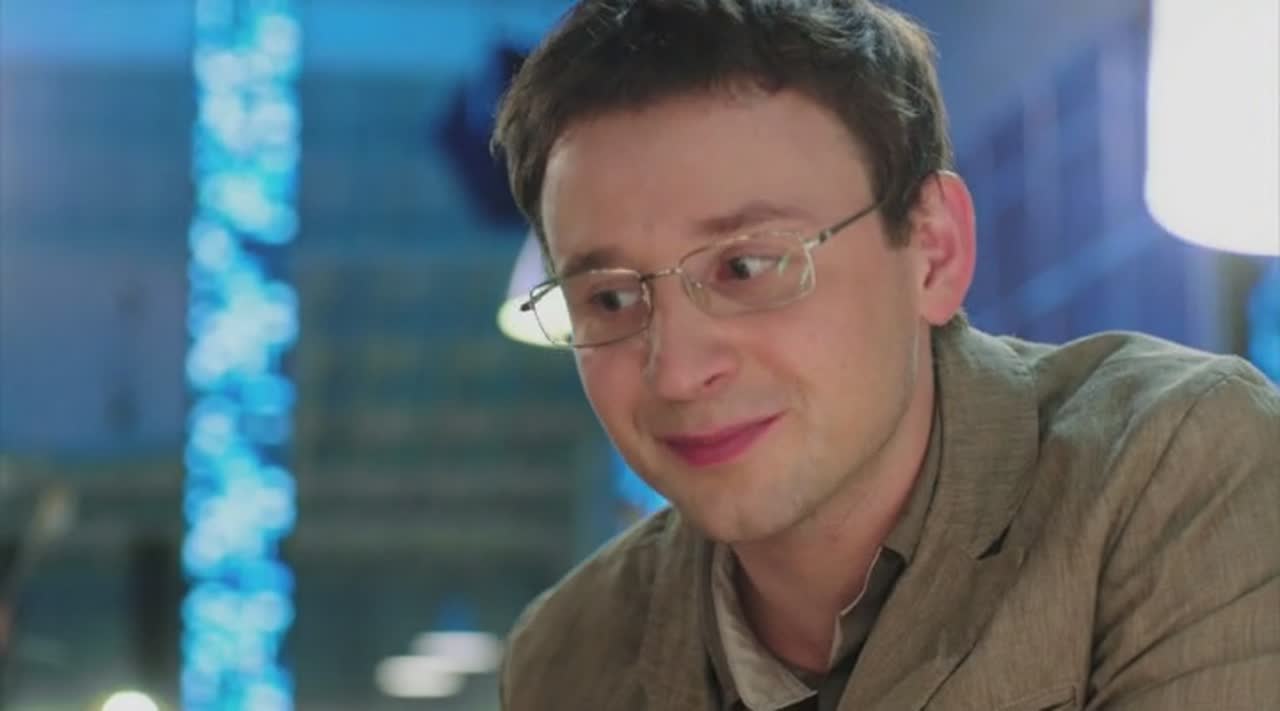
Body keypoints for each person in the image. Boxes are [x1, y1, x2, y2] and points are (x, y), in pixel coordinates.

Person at [489, 1, 1280, 709]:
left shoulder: (1174, 474)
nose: (677, 371)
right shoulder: (568, 651)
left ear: (933, 252)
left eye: (746, 266)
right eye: (610, 299)